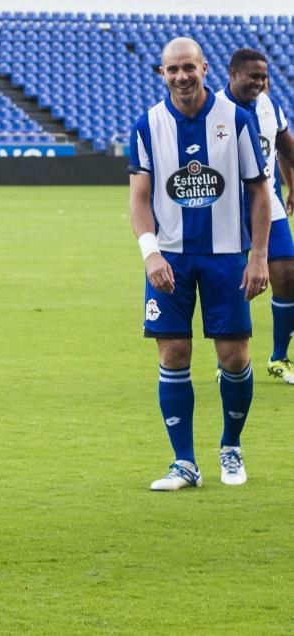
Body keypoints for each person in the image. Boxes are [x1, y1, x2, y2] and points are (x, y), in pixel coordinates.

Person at [128, 37, 270, 492]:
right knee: (173, 354)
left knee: (234, 358)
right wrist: (150, 251)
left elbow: (259, 193)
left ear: (205, 68)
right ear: (162, 74)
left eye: (188, 67)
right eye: (172, 70)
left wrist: (259, 256)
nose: (181, 77)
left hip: (226, 257)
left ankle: (231, 446)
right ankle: (184, 462)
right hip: (169, 257)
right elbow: (139, 199)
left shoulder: (237, 121)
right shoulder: (147, 125)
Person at [217, 48, 294, 383]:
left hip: (267, 200)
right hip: (226, 207)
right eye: (253, 76)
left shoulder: (268, 106)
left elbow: (285, 146)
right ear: (233, 74)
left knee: (288, 273)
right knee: (233, 283)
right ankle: (230, 362)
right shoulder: (215, 109)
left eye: (264, 77)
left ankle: (279, 358)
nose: (260, 83)